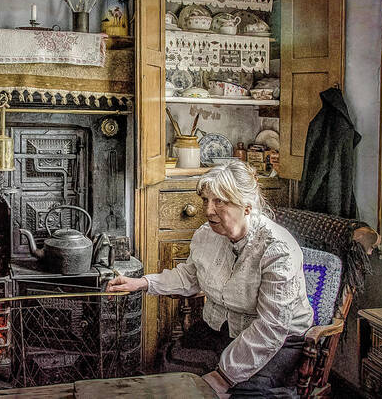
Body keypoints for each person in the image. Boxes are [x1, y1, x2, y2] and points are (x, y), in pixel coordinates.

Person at [106, 161, 314, 398]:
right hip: (221, 327)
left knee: (245, 393)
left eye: (219, 202)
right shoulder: (208, 234)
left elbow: (271, 327)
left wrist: (223, 376)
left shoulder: (278, 251)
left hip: (277, 341)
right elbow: (192, 275)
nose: (208, 210)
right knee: (172, 376)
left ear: (247, 206)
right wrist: (143, 283)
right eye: (206, 200)